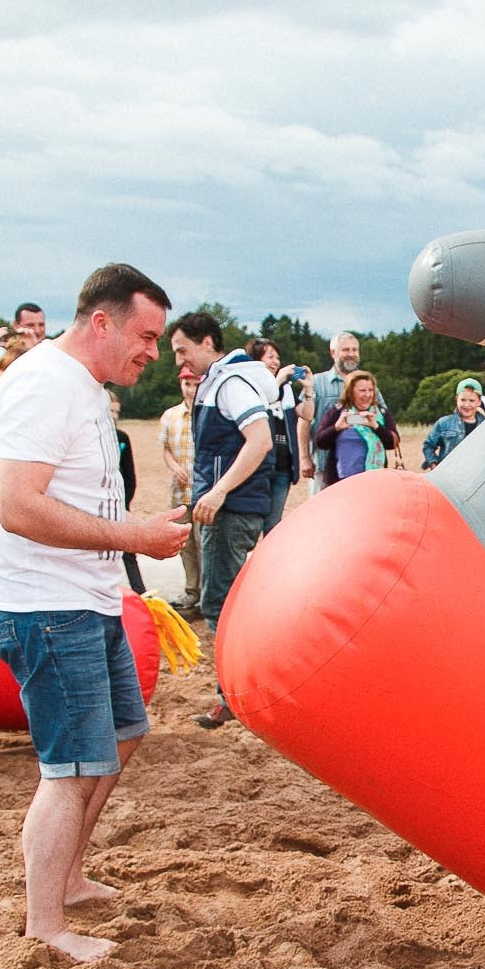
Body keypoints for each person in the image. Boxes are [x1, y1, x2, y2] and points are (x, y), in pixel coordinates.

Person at [0, 263, 191, 962]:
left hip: (85, 599)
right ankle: (45, 923)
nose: (154, 352)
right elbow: (18, 504)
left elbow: (75, 498)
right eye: (147, 336)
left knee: (124, 732)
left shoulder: (82, 388)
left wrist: (127, 551)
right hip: (45, 606)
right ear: (102, 322)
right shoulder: (43, 383)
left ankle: (66, 875)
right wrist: (136, 539)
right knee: (67, 768)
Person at [173, 313, 279, 730]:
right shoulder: (227, 380)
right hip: (233, 507)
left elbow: (261, 439)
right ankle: (243, 690)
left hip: (229, 509)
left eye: (183, 349)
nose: (180, 360)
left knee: (220, 605)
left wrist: (218, 492)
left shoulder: (230, 383)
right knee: (233, 601)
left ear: (206, 342)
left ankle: (233, 696)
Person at [157, 363, 201, 609]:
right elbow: (165, 449)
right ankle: (191, 589)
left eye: (195, 384)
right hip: (180, 490)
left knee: (203, 541)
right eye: (187, 384)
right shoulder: (170, 416)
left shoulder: (207, 413)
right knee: (186, 545)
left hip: (202, 491)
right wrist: (174, 468)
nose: (191, 390)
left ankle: (207, 591)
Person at [250, 338, 301, 536]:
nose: (275, 361)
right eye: (270, 356)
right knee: (252, 526)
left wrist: (308, 389)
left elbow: (305, 413)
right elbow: (261, 405)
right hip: (259, 468)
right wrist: (278, 380)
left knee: (273, 526)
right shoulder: (250, 388)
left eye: (277, 357)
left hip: (282, 467)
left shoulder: (286, 390)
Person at [313, 369, 400, 486]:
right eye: (362, 391)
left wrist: (376, 427)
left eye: (371, 390)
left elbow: (392, 443)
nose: (368, 395)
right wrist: (336, 428)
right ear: (350, 392)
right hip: (341, 482)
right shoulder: (338, 412)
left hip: (375, 480)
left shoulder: (381, 413)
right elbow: (320, 442)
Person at [299, 331, 361, 490]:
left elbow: (379, 417)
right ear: (333, 353)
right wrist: (304, 457)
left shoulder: (366, 383)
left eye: (355, 350)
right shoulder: (317, 383)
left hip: (359, 467)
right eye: (346, 350)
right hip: (323, 465)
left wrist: (352, 420)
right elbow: (304, 421)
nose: (351, 354)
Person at [107, 391, 147, 594]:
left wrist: (124, 503)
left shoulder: (122, 438)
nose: (114, 416)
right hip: (101, 505)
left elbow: (130, 475)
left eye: (117, 412)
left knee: (128, 552)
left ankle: (141, 592)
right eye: (110, 411)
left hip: (121, 503)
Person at [423, 378, 485, 469]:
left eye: (472, 401)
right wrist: (434, 466)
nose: (467, 405)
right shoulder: (443, 423)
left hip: (477, 474)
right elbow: (428, 446)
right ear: (456, 399)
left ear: (479, 402)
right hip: (448, 474)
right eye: (463, 400)